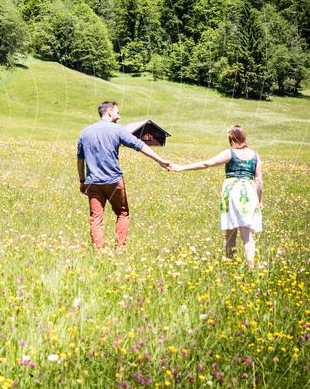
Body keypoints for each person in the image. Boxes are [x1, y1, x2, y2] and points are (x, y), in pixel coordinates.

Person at [77, 101, 170, 250]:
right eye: (117, 113)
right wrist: (159, 160)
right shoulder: (118, 130)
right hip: (114, 181)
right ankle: (119, 249)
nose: (119, 116)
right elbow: (140, 145)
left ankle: (98, 252)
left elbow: (80, 160)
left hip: (93, 182)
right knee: (122, 213)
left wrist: (82, 181)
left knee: (96, 219)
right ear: (109, 113)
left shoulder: (85, 132)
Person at [168, 125, 263, 268]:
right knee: (247, 236)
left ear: (231, 138)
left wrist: (181, 167)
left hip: (232, 191)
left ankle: (230, 266)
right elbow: (259, 180)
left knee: (230, 233)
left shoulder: (230, 153)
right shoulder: (255, 156)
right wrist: (259, 200)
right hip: (249, 192)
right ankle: (252, 268)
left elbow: (207, 163)